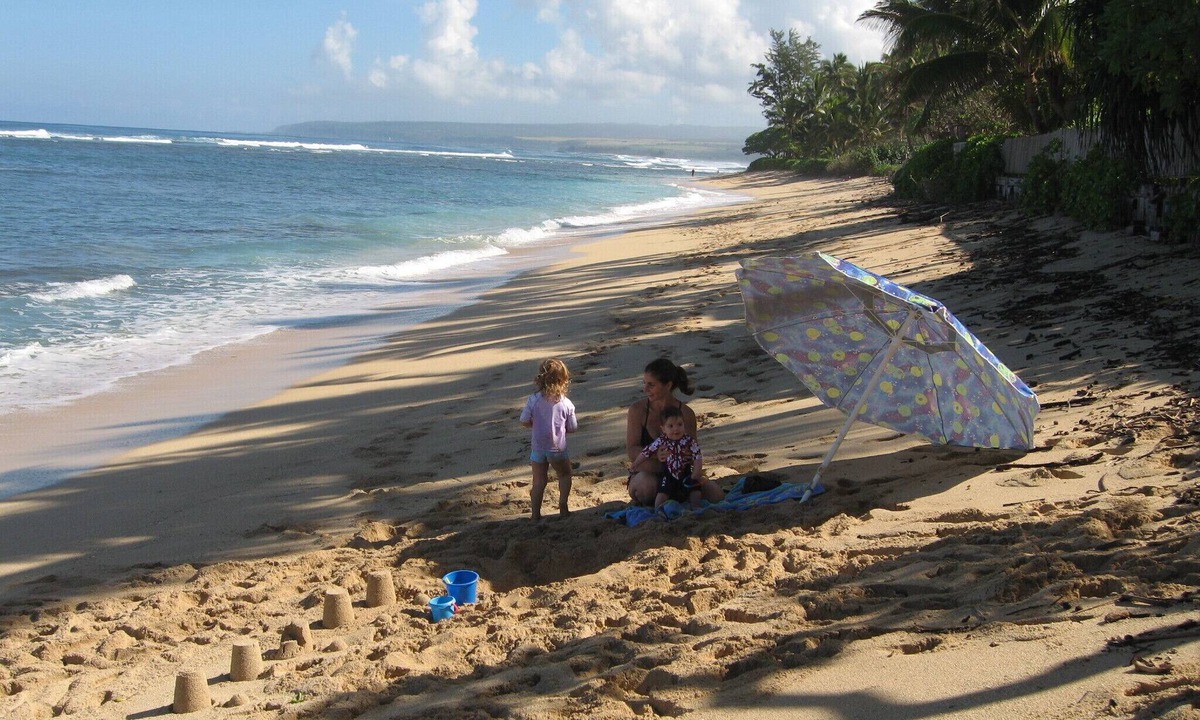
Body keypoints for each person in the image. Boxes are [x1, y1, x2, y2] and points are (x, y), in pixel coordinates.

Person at [625, 358, 723, 507]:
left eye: (651, 385)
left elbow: (693, 450)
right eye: (644, 383)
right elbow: (632, 450)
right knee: (646, 488)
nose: (645, 389)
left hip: (681, 473)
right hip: (650, 473)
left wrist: (685, 456)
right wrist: (656, 455)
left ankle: (681, 497)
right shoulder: (637, 410)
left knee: (716, 495)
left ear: (668, 385)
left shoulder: (685, 413)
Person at [520, 358, 578, 520]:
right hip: (557, 448)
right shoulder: (566, 404)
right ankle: (563, 507)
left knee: (538, 480)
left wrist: (534, 424)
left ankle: (535, 514)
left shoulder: (533, 399)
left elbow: (524, 420)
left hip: (537, 448)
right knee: (565, 474)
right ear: (564, 380)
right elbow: (572, 427)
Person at [633, 405, 703, 510]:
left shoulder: (689, 441)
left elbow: (697, 455)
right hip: (669, 475)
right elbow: (646, 452)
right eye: (670, 426)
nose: (676, 429)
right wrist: (636, 463)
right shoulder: (662, 441)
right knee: (662, 493)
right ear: (663, 429)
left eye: (679, 424)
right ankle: (659, 509)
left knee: (695, 490)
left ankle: (696, 507)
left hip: (686, 473)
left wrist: (697, 471)